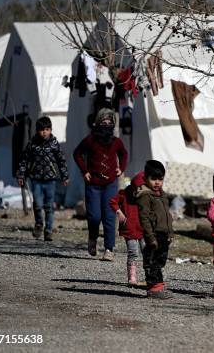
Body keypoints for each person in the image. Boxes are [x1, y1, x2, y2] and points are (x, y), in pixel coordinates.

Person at [73, 108, 128, 261]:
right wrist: (84, 171)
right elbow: (77, 153)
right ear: (97, 123)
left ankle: (109, 249)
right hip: (93, 184)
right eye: (103, 122)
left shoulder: (116, 142)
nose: (106, 125)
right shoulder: (90, 140)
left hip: (110, 184)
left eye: (110, 123)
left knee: (109, 217)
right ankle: (92, 238)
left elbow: (124, 154)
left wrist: (121, 169)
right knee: (94, 216)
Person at [16, 116, 69, 241]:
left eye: (47, 129)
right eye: (41, 130)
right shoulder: (32, 144)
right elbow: (24, 160)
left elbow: (61, 161)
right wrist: (21, 175)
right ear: (37, 130)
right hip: (36, 179)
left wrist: (65, 176)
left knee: (49, 206)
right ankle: (39, 224)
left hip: (51, 179)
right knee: (38, 204)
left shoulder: (54, 143)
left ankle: (49, 229)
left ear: (50, 130)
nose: (44, 132)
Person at [136, 160, 173, 299]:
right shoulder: (145, 195)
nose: (157, 182)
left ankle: (158, 286)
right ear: (146, 178)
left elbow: (167, 215)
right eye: (153, 179)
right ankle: (154, 288)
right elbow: (144, 218)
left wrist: (171, 232)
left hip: (164, 234)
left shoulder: (161, 195)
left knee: (160, 260)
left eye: (160, 179)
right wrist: (150, 237)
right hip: (153, 234)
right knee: (152, 261)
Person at [109, 171, 145, 286]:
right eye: (137, 189)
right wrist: (119, 212)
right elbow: (113, 202)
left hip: (144, 230)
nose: (139, 192)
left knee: (147, 252)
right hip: (129, 229)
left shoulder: (147, 196)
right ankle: (132, 277)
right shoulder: (123, 194)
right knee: (133, 252)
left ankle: (150, 276)